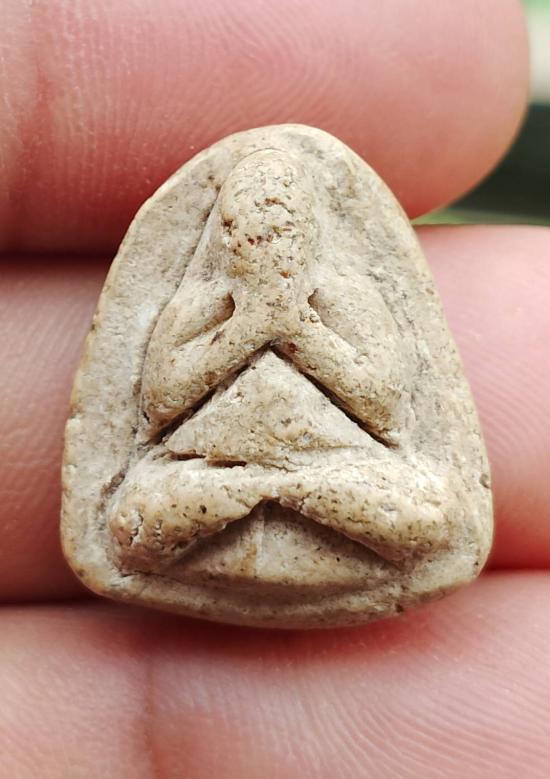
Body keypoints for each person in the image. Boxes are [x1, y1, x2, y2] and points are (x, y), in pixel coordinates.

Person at [1, 1, 549, 775]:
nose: (265, 246)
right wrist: (242, 328)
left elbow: (385, 407)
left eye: (285, 232)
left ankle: (284, 492)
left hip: (331, 468)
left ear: (311, 234)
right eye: (245, 233)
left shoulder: (346, 297)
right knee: (130, 519)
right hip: (209, 472)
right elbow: (158, 408)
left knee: (431, 517)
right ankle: (263, 493)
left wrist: (297, 329)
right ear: (221, 234)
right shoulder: (198, 302)